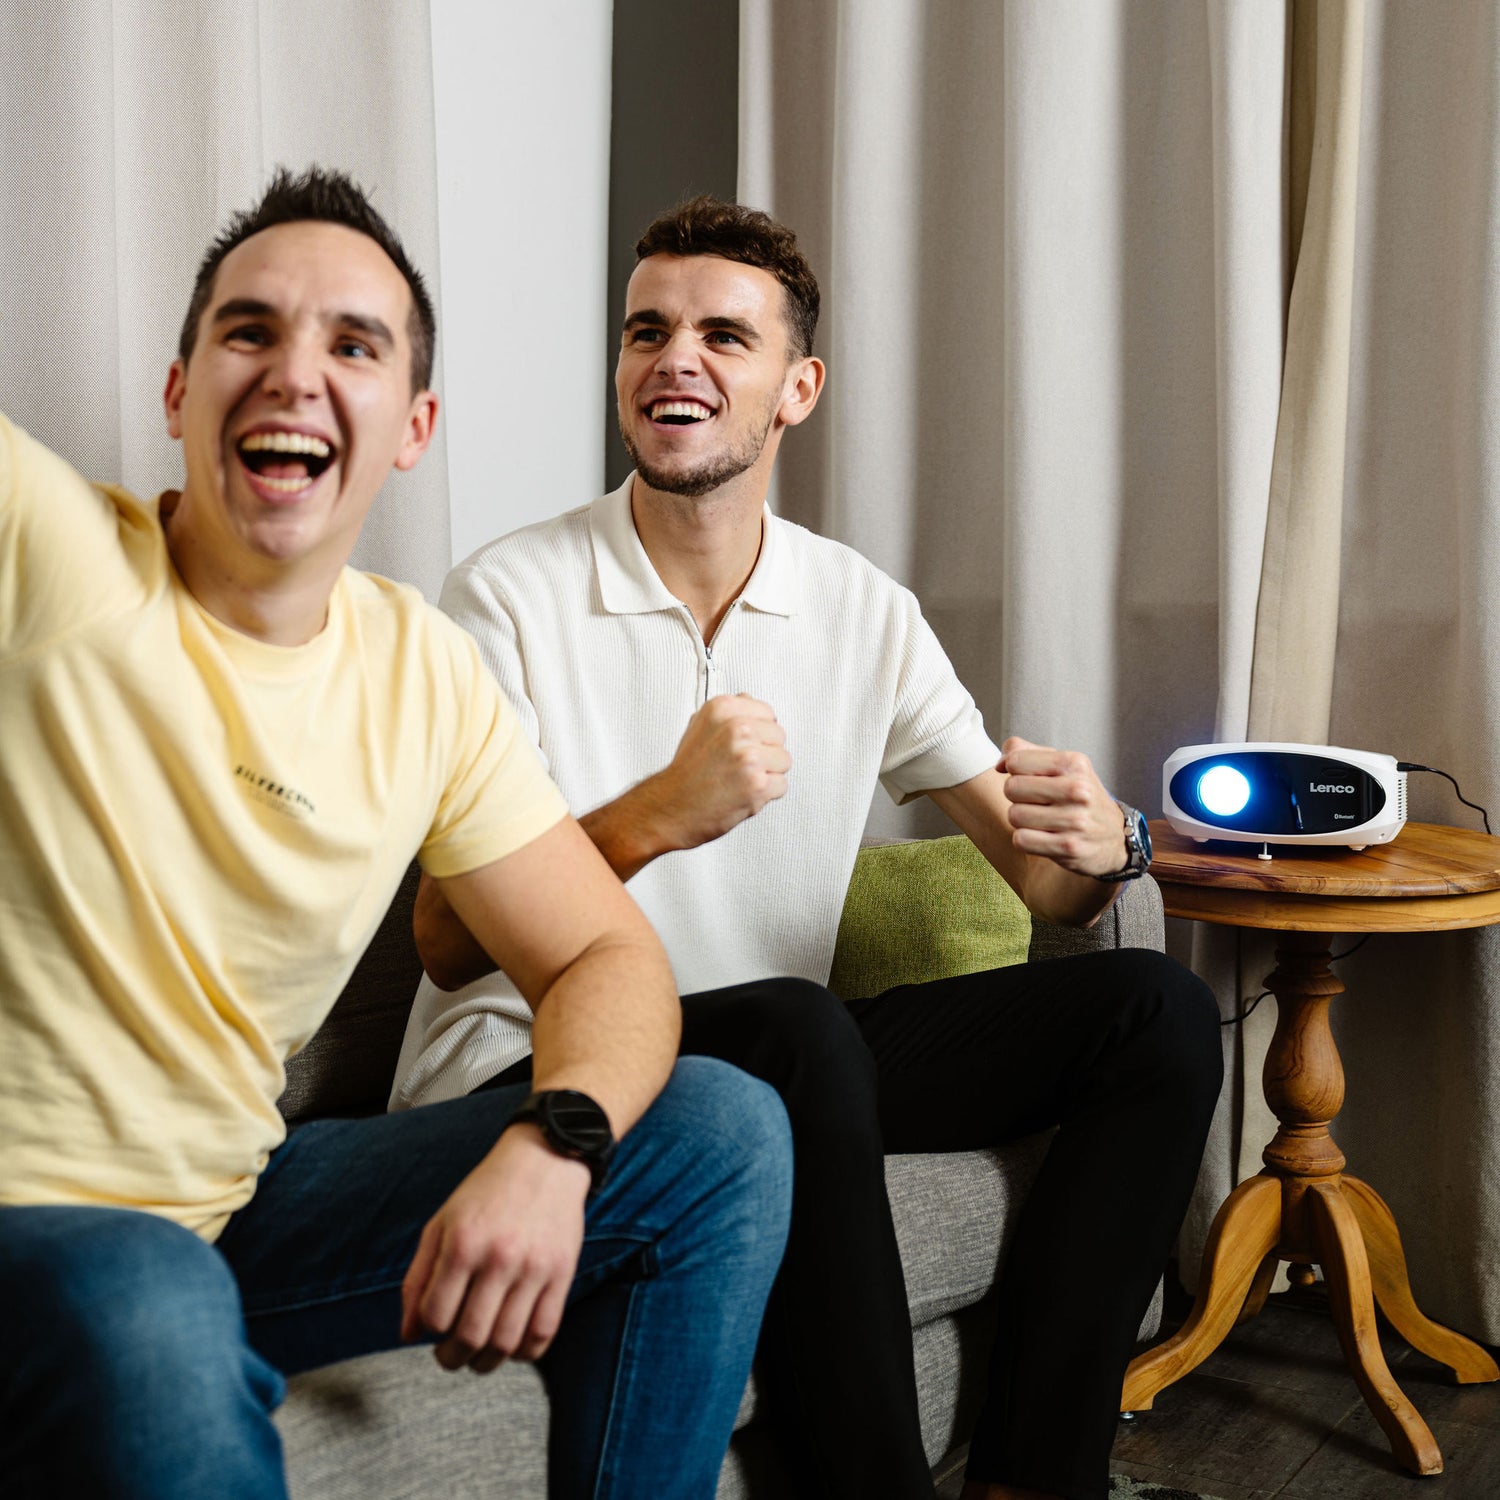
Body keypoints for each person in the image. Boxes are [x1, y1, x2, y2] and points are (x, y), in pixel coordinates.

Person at [397, 196, 1226, 1500]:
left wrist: (1105, 836)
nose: (674, 358)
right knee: (800, 1029)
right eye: (647, 331)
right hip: (540, 1068)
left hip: (790, 1063)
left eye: (723, 336)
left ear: (798, 389)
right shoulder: (506, 595)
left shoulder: (859, 610)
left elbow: (1045, 887)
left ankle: (1032, 1479)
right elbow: (445, 943)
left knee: (1156, 1012)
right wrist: (652, 814)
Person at [0, 170, 795, 1500]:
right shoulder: (48, 547)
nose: (294, 372)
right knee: (141, 1294)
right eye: (248, 332)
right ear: (178, 391)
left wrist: (552, 1147)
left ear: (414, 425)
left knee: (722, 1131)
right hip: (38, 1233)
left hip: (229, 1208)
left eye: (353, 345)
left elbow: (604, 957)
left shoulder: (418, 670)